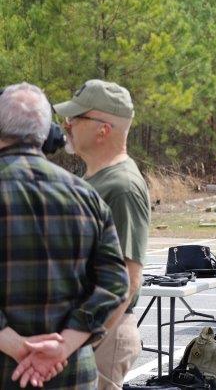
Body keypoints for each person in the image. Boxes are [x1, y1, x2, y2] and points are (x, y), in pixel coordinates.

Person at [0, 83, 129, 388]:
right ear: (45, 133)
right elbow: (115, 283)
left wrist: (16, 346)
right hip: (71, 373)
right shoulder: (86, 195)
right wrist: (64, 346)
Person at [54, 79, 150, 389]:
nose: (66, 125)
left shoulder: (122, 187)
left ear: (102, 129)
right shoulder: (96, 177)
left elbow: (128, 278)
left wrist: (87, 343)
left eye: (76, 118)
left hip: (102, 334)